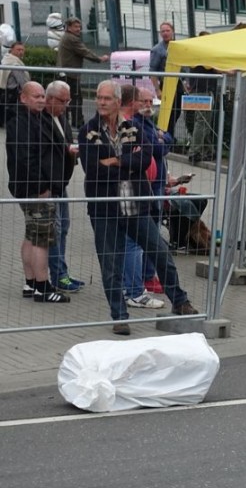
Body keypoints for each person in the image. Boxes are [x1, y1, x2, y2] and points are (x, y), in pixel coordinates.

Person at [78, 80, 198, 335]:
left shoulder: (133, 128)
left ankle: (180, 300)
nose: (101, 102)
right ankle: (119, 315)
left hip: (135, 207)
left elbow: (145, 159)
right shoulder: (88, 131)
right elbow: (93, 168)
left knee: (159, 250)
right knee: (110, 263)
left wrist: (114, 161)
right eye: (99, 97)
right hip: (105, 209)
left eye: (106, 98)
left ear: (118, 102)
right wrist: (126, 163)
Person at [5, 82, 70, 303]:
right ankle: (43, 288)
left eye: (43, 96)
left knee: (31, 234)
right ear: (23, 98)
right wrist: (41, 187)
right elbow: (26, 159)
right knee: (42, 238)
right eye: (36, 96)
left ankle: (31, 282)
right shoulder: (21, 123)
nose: (42, 100)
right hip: (34, 189)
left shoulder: (30, 119)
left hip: (28, 187)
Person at [119, 84, 166, 308]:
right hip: (132, 190)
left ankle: (132, 287)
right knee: (133, 242)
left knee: (133, 241)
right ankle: (135, 291)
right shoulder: (129, 125)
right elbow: (148, 153)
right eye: (142, 101)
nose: (146, 105)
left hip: (142, 188)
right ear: (133, 103)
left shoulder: (136, 124)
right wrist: (146, 151)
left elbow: (155, 148)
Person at [44, 80, 85, 293]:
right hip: (49, 183)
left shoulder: (61, 117)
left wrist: (71, 151)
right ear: (49, 99)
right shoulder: (42, 119)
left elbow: (66, 141)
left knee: (64, 227)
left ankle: (62, 272)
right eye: (62, 100)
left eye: (68, 100)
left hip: (62, 182)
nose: (66, 105)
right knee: (55, 228)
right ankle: (58, 275)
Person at [57, 17, 109, 128]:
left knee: (68, 99)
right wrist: (99, 59)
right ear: (69, 27)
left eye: (79, 27)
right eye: (75, 27)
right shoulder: (72, 39)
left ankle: (66, 123)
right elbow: (84, 51)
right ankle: (77, 124)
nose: (78, 29)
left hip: (65, 72)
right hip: (70, 73)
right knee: (75, 99)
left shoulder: (67, 37)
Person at [149, 21, 184, 140]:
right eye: (163, 31)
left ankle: (170, 136)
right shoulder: (157, 50)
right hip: (167, 84)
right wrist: (157, 90)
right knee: (169, 113)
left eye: (167, 30)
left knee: (177, 112)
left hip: (179, 83)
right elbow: (152, 71)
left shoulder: (178, 46)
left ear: (173, 32)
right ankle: (168, 137)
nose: (165, 33)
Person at [187, 31, 218, 164]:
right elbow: (218, 69)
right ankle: (194, 152)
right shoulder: (205, 56)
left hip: (194, 93)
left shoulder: (193, 56)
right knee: (202, 123)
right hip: (204, 93)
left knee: (202, 123)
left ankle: (209, 151)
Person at [1, 41, 29, 127]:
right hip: (12, 91)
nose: (20, 52)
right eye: (18, 50)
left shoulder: (6, 58)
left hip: (4, 89)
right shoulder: (15, 64)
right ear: (12, 50)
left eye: (22, 50)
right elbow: (22, 81)